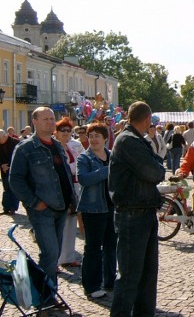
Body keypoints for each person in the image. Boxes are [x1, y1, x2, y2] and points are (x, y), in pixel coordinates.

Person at [108, 101, 166, 317]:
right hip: (132, 213)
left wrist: (158, 167)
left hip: (144, 210)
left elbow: (156, 166)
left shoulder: (135, 139)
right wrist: (158, 168)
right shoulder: (129, 140)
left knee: (147, 274)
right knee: (131, 275)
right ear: (148, 119)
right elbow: (154, 171)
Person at [10, 107, 76, 289]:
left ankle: (49, 290)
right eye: (45, 119)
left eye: (52, 118)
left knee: (54, 254)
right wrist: (33, 202)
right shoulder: (26, 148)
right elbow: (15, 179)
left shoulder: (57, 145)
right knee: (49, 252)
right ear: (35, 122)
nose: (50, 122)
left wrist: (72, 199)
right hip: (42, 210)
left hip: (61, 208)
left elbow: (65, 174)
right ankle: (47, 296)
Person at [77, 122, 116, 299]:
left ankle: (110, 280)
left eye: (97, 136)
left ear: (105, 138)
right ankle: (91, 286)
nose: (93, 139)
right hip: (92, 209)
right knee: (93, 249)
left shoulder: (112, 156)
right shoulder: (84, 158)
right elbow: (84, 179)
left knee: (111, 246)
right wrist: (107, 171)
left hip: (112, 207)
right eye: (90, 136)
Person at [55, 117, 85, 268]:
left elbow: (82, 161)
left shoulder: (75, 145)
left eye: (68, 130)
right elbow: (65, 168)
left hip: (74, 186)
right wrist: (75, 166)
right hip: (59, 188)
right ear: (57, 132)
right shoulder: (53, 146)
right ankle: (56, 259)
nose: (66, 133)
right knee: (58, 224)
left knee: (71, 222)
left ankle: (68, 257)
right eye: (63, 130)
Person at [0, 129, 20, 215]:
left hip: (14, 169)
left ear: (5, 136)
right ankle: (6, 207)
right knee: (6, 189)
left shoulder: (15, 142)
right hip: (4, 170)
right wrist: (2, 165)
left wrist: (8, 165)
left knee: (14, 189)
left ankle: (13, 208)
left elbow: (18, 157)